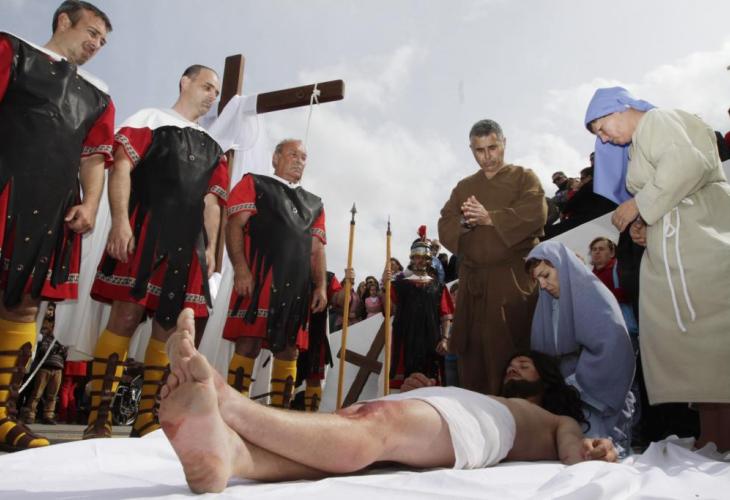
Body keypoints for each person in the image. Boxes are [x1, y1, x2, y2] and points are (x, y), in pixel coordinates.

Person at [158, 309, 617, 494]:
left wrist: (592, 450)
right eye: (512, 364)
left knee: (375, 424)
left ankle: (229, 402)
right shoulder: (491, 394)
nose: (514, 368)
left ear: (547, 380)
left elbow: (574, 450)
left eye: (525, 365)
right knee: (350, 427)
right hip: (456, 406)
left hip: (487, 425)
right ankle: (233, 456)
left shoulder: (551, 417)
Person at [83, 65, 228, 439]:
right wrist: (120, 222)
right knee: (125, 316)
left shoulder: (214, 147)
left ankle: (147, 416)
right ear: (185, 82)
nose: (212, 96)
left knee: (169, 329)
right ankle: (99, 414)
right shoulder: (149, 119)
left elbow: (212, 203)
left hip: (188, 246)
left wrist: (211, 248)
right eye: (207, 87)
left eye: (216, 92)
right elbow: (121, 168)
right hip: (145, 230)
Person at [585, 86, 730, 452]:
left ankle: (721, 434)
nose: (604, 139)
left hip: (702, 243)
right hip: (684, 246)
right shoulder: (640, 143)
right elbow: (669, 194)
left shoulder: (657, 121)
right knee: (701, 350)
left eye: (602, 128)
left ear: (621, 108)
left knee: (714, 343)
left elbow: (687, 164)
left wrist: (639, 206)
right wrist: (646, 225)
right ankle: (714, 436)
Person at [0, 0, 114, 451]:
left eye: (102, 41)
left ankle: (1, 413)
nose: (96, 44)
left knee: (24, 305)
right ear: (64, 21)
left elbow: (94, 157)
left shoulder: (98, 97)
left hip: (53, 207)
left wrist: (91, 204)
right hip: (5, 188)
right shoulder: (12, 51)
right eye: (91, 32)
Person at [438, 119, 547, 395]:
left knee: (511, 353)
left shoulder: (524, 178)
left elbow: (537, 213)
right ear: (471, 149)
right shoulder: (464, 187)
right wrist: (465, 222)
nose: (487, 157)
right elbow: (445, 224)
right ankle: (477, 417)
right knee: (473, 358)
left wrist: (490, 218)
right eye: (479, 150)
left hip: (511, 281)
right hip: (473, 286)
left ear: (504, 143)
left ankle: (518, 415)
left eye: (492, 148)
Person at [222, 139, 327, 408]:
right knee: (248, 344)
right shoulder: (254, 183)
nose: (299, 161)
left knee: (289, 351)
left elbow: (316, 250)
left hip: (296, 289)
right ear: (275, 158)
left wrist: (320, 286)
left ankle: (280, 416)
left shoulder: (314, 203)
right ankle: (234, 413)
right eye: (293, 154)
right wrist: (241, 269)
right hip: (259, 279)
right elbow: (234, 226)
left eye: (303, 157)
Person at [526, 240, 636, 454]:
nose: (543, 285)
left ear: (563, 267)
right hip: (561, 395)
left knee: (593, 449)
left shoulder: (594, 294)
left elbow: (613, 348)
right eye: (537, 280)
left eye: (546, 275)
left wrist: (575, 383)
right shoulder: (546, 302)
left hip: (592, 395)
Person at [383, 237, 454, 389]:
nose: (420, 260)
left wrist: (445, 339)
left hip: (431, 340)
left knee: (431, 384)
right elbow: (389, 310)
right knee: (402, 386)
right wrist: (385, 287)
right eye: (417, 257)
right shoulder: (398, 285)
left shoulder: (439, 286)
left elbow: (445, 315)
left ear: (428, 259)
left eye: (423, 257)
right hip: (405, 338)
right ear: (412, 258)